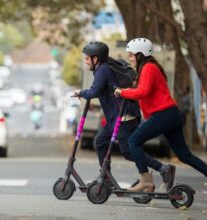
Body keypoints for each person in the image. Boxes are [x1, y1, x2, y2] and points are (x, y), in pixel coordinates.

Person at [115, 38, 207, 192]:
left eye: (131, 55)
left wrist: (122, 92)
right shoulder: (147, 68)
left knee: (133, 141)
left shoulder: (149, 68)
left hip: (163, 115)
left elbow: (143, 92)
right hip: (170, 115)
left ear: (140, 55)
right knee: (183, 155)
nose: (129, 58)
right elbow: (145, 92)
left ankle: (146, 181)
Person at [74, 41, 175, 189]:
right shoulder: (105, 66)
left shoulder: (103, 70)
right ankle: (106, 176)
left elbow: (94, 92)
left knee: (128, 151)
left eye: (88, 58)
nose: (86, 61)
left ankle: (162, 168)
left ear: (96, 59)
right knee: (101, 142)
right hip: (116, 117)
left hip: (124, 117)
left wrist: (80, 93)